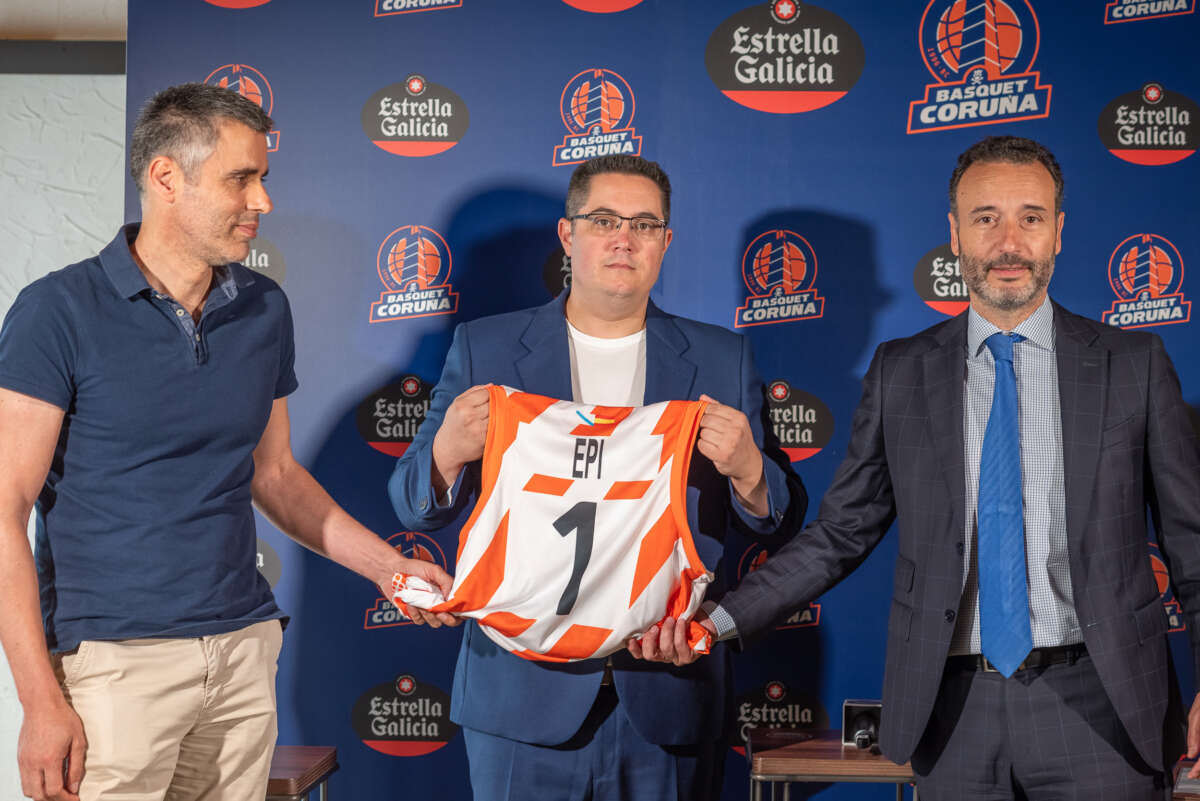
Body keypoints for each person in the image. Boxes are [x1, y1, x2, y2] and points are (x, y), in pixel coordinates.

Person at [634, 136, 1200, 800]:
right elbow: (839, 534)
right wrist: (717, 619)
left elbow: (1192, 541)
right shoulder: (902, 371)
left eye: (1031, 216)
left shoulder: (1132, 364)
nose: (1009, 240)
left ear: (1059, 233)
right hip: (952, 718)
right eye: (986, 217)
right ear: (954, 232)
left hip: (1101, 709)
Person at [0, 83, 452, 801]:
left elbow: (274, 476)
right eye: (241, 178)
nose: (262, 202)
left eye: (263, 178)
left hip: (244, 654)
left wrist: (388, 567)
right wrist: (37, 697)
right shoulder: (57, 312)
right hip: (115, 667)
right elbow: (5, 509)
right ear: (166, 178)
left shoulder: (263, 307)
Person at [388, 154, 807, 800]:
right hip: (519, 704)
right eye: (605, 219)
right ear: (568, 235)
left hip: (667, 693)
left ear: (665, 242)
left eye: (644, 224)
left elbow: (777, 516)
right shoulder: (488, 349)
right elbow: (415, 506)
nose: (624, 238)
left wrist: (750, 469)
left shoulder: (723, 358)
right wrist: (445, 451)